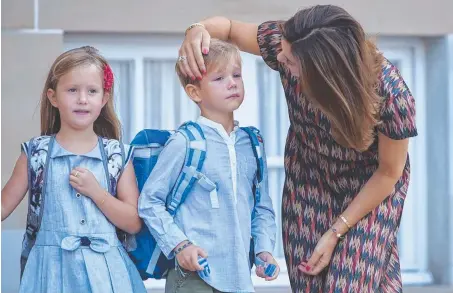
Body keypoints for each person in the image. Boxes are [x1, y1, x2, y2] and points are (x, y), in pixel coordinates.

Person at [178, 5, 417, 292]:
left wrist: (336, 231)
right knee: (310, 282)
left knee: (348, 284)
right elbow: (228, 28)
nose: (279, 58)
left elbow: (389, 173)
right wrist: (196, 30)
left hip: (370, 188)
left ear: (323, 74)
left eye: (289, 60)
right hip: (309, 180)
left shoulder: (390, 95)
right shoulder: (287, 42)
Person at [1, 46, 147, 293]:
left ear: (104, 98)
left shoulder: (118, 155)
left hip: (109, 277)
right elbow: (3, 206)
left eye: (92, 91)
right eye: (72, 90)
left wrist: (96, 192)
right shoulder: (36, 153)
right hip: (49, 275)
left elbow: (133, 223)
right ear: (53, 97)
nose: (82, 99)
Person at [139, 39, 279, 293]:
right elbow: (149, 202)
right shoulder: (185, 142)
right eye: (219, 78)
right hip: (193, 279)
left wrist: (264, 250)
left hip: (240, 279)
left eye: (236, 75)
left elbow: (261, 206)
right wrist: (180, 246)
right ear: (195, 92)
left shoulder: (252, 143)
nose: (232, 83)